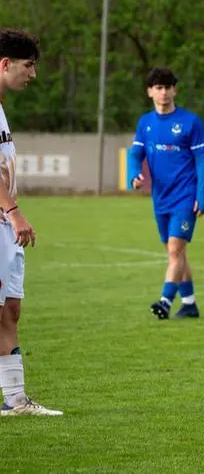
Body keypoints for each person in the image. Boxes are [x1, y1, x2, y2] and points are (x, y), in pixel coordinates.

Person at [0, 28, 62, 416]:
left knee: (9, 310)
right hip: (3, 219)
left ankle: (16, 400)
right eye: (28, 66)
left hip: (3, 225)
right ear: (5, 64)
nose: (33, 75)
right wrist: (13, 211)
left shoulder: (1, 107)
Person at [127, 67, 204, 320]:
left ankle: (165, 300)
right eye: (158, 88)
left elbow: (202, 161)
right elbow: (135, 153)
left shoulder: (190, 122)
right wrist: (133, 174)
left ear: (174, 90)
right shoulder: (146, 123)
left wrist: (203, 196)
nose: (163, 93)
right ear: (150, 91)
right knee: (176, 253)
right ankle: (190, 304)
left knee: (175, 251)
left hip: (185, 196)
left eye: (167, 87)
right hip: (161, 197)